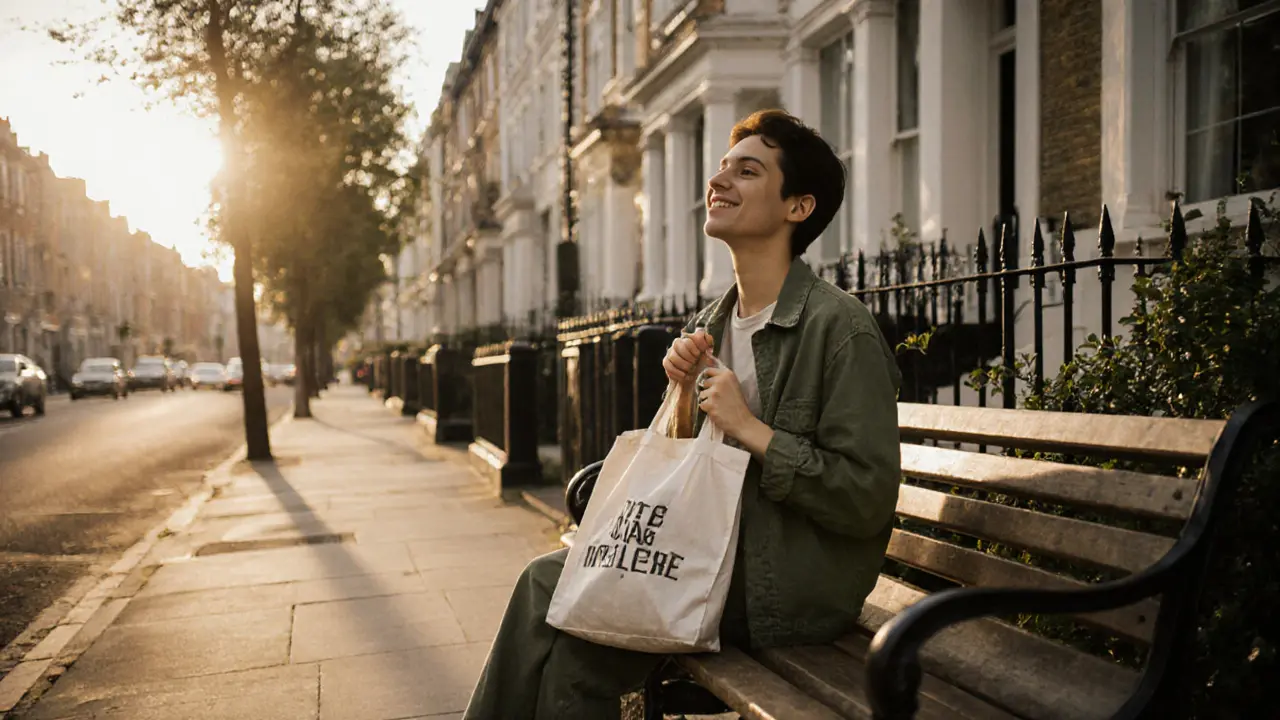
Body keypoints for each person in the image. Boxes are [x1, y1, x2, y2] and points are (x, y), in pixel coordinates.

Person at [462, 109, 902, 719]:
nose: (718, 182)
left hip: (784, 586)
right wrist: (682, 396)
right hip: (703, 556)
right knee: (562, 639)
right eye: (722, 169)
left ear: (798, 208)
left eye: (747, 172)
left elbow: (866, 496)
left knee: (553, 602)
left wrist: (751, 428)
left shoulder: (839, 327)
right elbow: (684, 473)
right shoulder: (711, 324)